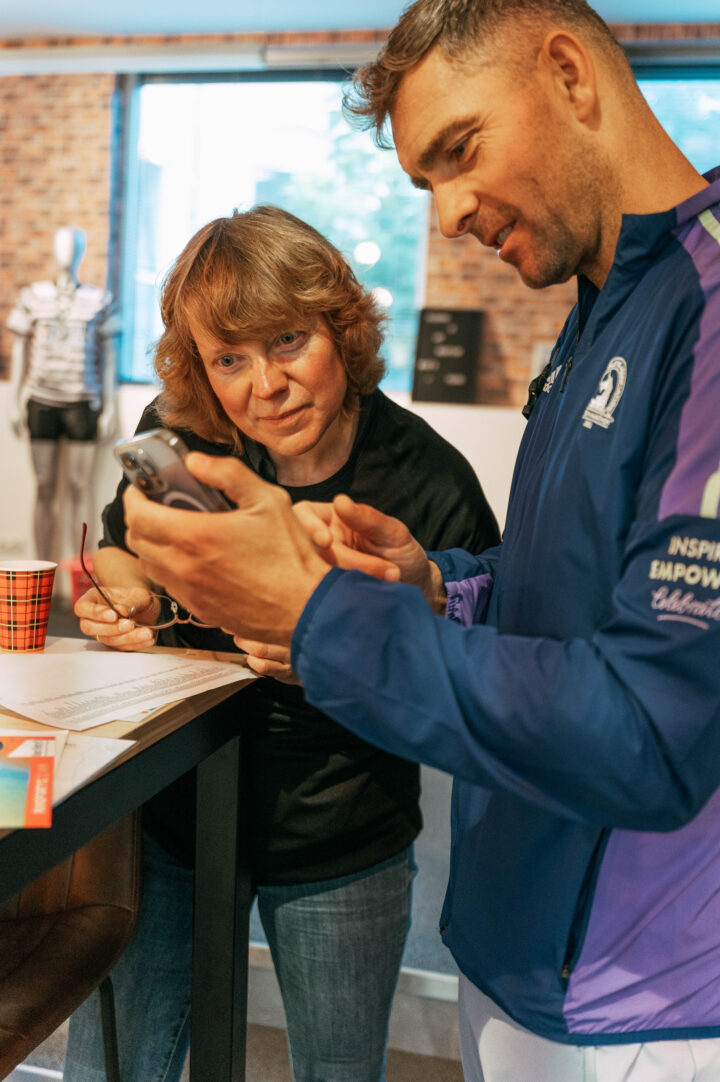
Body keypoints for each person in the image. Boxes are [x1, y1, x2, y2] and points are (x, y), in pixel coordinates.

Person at [120, 1, 720, 1080]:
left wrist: (317, 616)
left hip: (639, 990)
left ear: (570, 74)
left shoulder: (702, 309)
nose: (446, 216)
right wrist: (433, 585)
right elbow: (554, 593)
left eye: (461, 149)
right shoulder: (597, 309)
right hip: (517, 943)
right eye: (423, 180)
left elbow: (652, 729)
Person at [63, 204, 499, 1082]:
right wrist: (128, 596)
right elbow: (118, 544)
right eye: (229, 359)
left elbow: (483, 679)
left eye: (289, 342)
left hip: (343, 838)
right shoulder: (182, 436)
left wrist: (352, 659)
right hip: (174, 816)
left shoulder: (427, 478)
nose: (267, 386)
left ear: (342, 328)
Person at [6, 226, 118, 560]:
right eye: (61, 245)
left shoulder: (98, 301)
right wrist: (14, 400)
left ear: (82, 251)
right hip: (41, 400)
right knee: (44, 486)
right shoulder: (33, 297)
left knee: (79, 487)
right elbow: (19, 348)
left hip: (82, 401)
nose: (65, 252)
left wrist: (110, 407)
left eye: (72, 246)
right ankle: (43, 570)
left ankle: (79, 571)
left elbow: (109, 356)